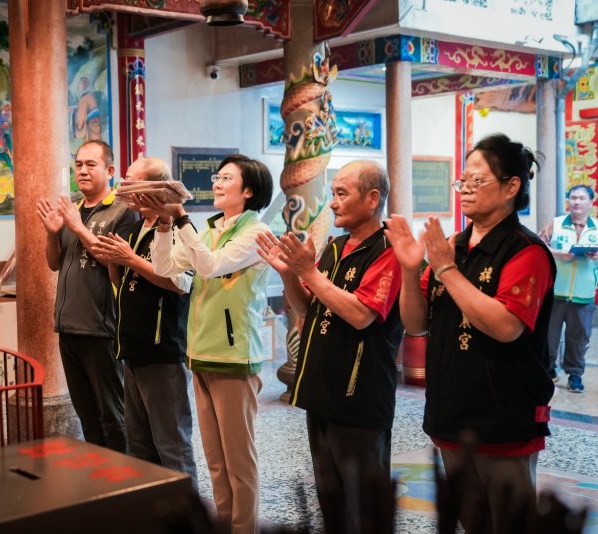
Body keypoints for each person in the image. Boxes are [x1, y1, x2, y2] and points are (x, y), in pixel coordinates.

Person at [385, 133, 555, 532]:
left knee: (510, 524)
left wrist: (445, 270)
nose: (466, 189)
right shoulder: (453, 246)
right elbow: (415, 324)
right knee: (470, 522)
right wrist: (410, 269)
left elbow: (505, 326)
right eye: (463, 180)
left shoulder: (525, 250)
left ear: (512, 186)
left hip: (504, 419)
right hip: (452, 412)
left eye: (478, 180)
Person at [256, 160, 403, 532]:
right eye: (333, 193)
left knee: (363, 507)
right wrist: (290, 274)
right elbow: (309, 307)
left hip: (360, 398)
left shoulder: (388, 250)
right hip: (323, 392)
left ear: (372, 198)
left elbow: (361, 314)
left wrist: (307, 271)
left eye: (341, 193)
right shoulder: (336, 247)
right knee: (332, 503)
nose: (333, 203)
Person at [136, 153, 272, 534]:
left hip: (234, 357)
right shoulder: (210, 230)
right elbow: (166, 267)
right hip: (200, 354)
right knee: (215, 461)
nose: (216, 183)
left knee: (239, 463)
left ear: (248, 190)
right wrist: (164, 225)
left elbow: (210, 265)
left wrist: (181, 217)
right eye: (217, 177)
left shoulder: (255, 233)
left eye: (226, 178)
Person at [92, 156, 198, 481]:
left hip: (162, 352)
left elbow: (180, 284)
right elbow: (124, 282)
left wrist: (130, 259)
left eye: (131, 180)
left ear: (154, 188)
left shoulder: (178, 228)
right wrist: (115, 261)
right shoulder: (139, 226)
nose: (124, 187)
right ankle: (153, 505)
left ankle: (186, 508)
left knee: (172, 444)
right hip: (133, 350)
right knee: (139, 443)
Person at [36, 140, 136, 453]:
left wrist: (78, 227)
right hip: (69, 327)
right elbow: (54, 263)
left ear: (110, 170)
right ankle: (99, 472)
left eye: (91, 165)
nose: (82, 171)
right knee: (87, 416)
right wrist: (53, 234)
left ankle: (126, 475)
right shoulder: (73, 210)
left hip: (101, 328)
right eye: (78, 164)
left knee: (114, 416)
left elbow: (116, 261)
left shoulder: (123, 212)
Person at [539, 184, 598, 393]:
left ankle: (575, 375)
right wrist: (558, 254)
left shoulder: (596, 228)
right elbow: (539, 246)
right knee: (549, 336)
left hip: (584, 294)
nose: (576, 202)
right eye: (573, 198)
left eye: (581, 198)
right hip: (555, 292)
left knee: (578, 338)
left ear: (591, 202)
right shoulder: (556, 224)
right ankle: (548, 371)